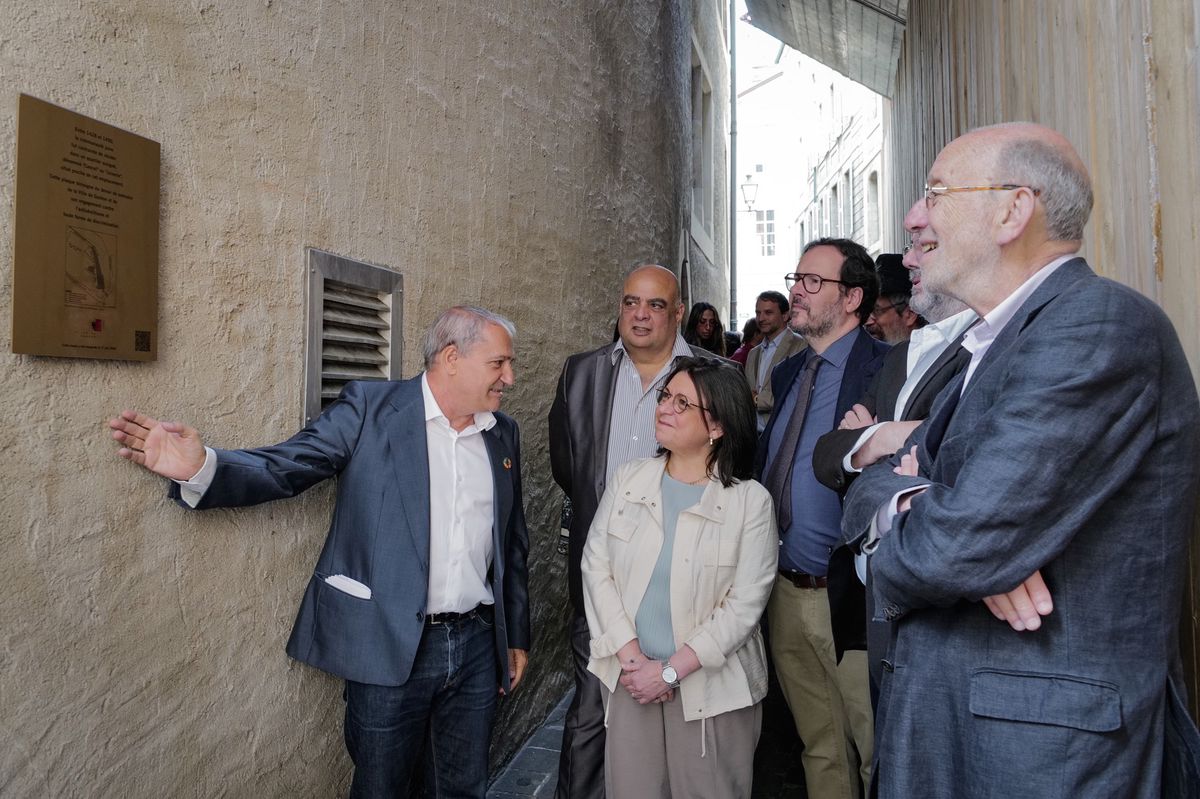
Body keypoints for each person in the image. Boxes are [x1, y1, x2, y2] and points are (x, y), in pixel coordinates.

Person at [842, 122, 1200, 797]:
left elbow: (962, 544)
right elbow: (870, 491)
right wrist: (918, 502)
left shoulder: (1098, 327)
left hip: (1038, 762)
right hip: (956, 738)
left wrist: (956, 532)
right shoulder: (991, 344)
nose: (914, 218)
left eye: (936, 193)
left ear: (1013, 210)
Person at [108, 306, 531, 799]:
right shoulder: (372, 408)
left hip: (477, 643)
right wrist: (203, 467)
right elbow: (290, 464)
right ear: (452, 357)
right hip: (389, 643)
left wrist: (513, 633)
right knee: (382, 788)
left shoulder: (502, 433)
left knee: (462, 787)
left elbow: (511, 541)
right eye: (499, 363)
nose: (511, 377)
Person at [549, 265, 722, 799]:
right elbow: (567, 463)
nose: (640, 315)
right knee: (588, 716)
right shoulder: (583, 373)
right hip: (602, 574)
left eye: (654, 305)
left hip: (681, 577)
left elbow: (733, 469)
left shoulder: (715, 378)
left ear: (677, 313)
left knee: (674, 718)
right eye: (630, 303)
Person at [581, 357, 777, 798]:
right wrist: (634, 661)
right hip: (631, 679)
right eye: (667, 396)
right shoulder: (630, 478)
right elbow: (596, 567)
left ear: (717, 427)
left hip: (712, 691)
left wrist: (669, 672)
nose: (664, 407)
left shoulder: (750, 503)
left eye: (683, 403)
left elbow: (744, 606)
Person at [812, 243, 976, 702]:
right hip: (878, 603)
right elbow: (828, 454)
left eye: (926, 246)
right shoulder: (901, 357)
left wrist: (870, 442)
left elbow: (958, 453)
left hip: (945, 615)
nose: (907, 261)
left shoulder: (994, 348)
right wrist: (887, 438)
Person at [757, 238, 887, 799]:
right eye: (796, 279)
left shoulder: (889, 372)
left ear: (852, 297)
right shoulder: (788, 373)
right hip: (785, 593)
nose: (796, 291)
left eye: (813, 282)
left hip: (851, 599)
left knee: (875, 749)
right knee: (819, 746)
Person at [744, 290, 805, 432]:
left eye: (768, 313)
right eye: (758, 313)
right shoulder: (753, 353)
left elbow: (794, 394)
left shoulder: (801, 346)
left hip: (783, 433)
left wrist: (757, 400)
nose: (761, 318)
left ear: (785, 316)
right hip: (753, 435)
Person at [863, 254, 923, 344]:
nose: (867, 321)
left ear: (910, 314)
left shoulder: (936, 355)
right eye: (866, 310)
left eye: (877, 311)